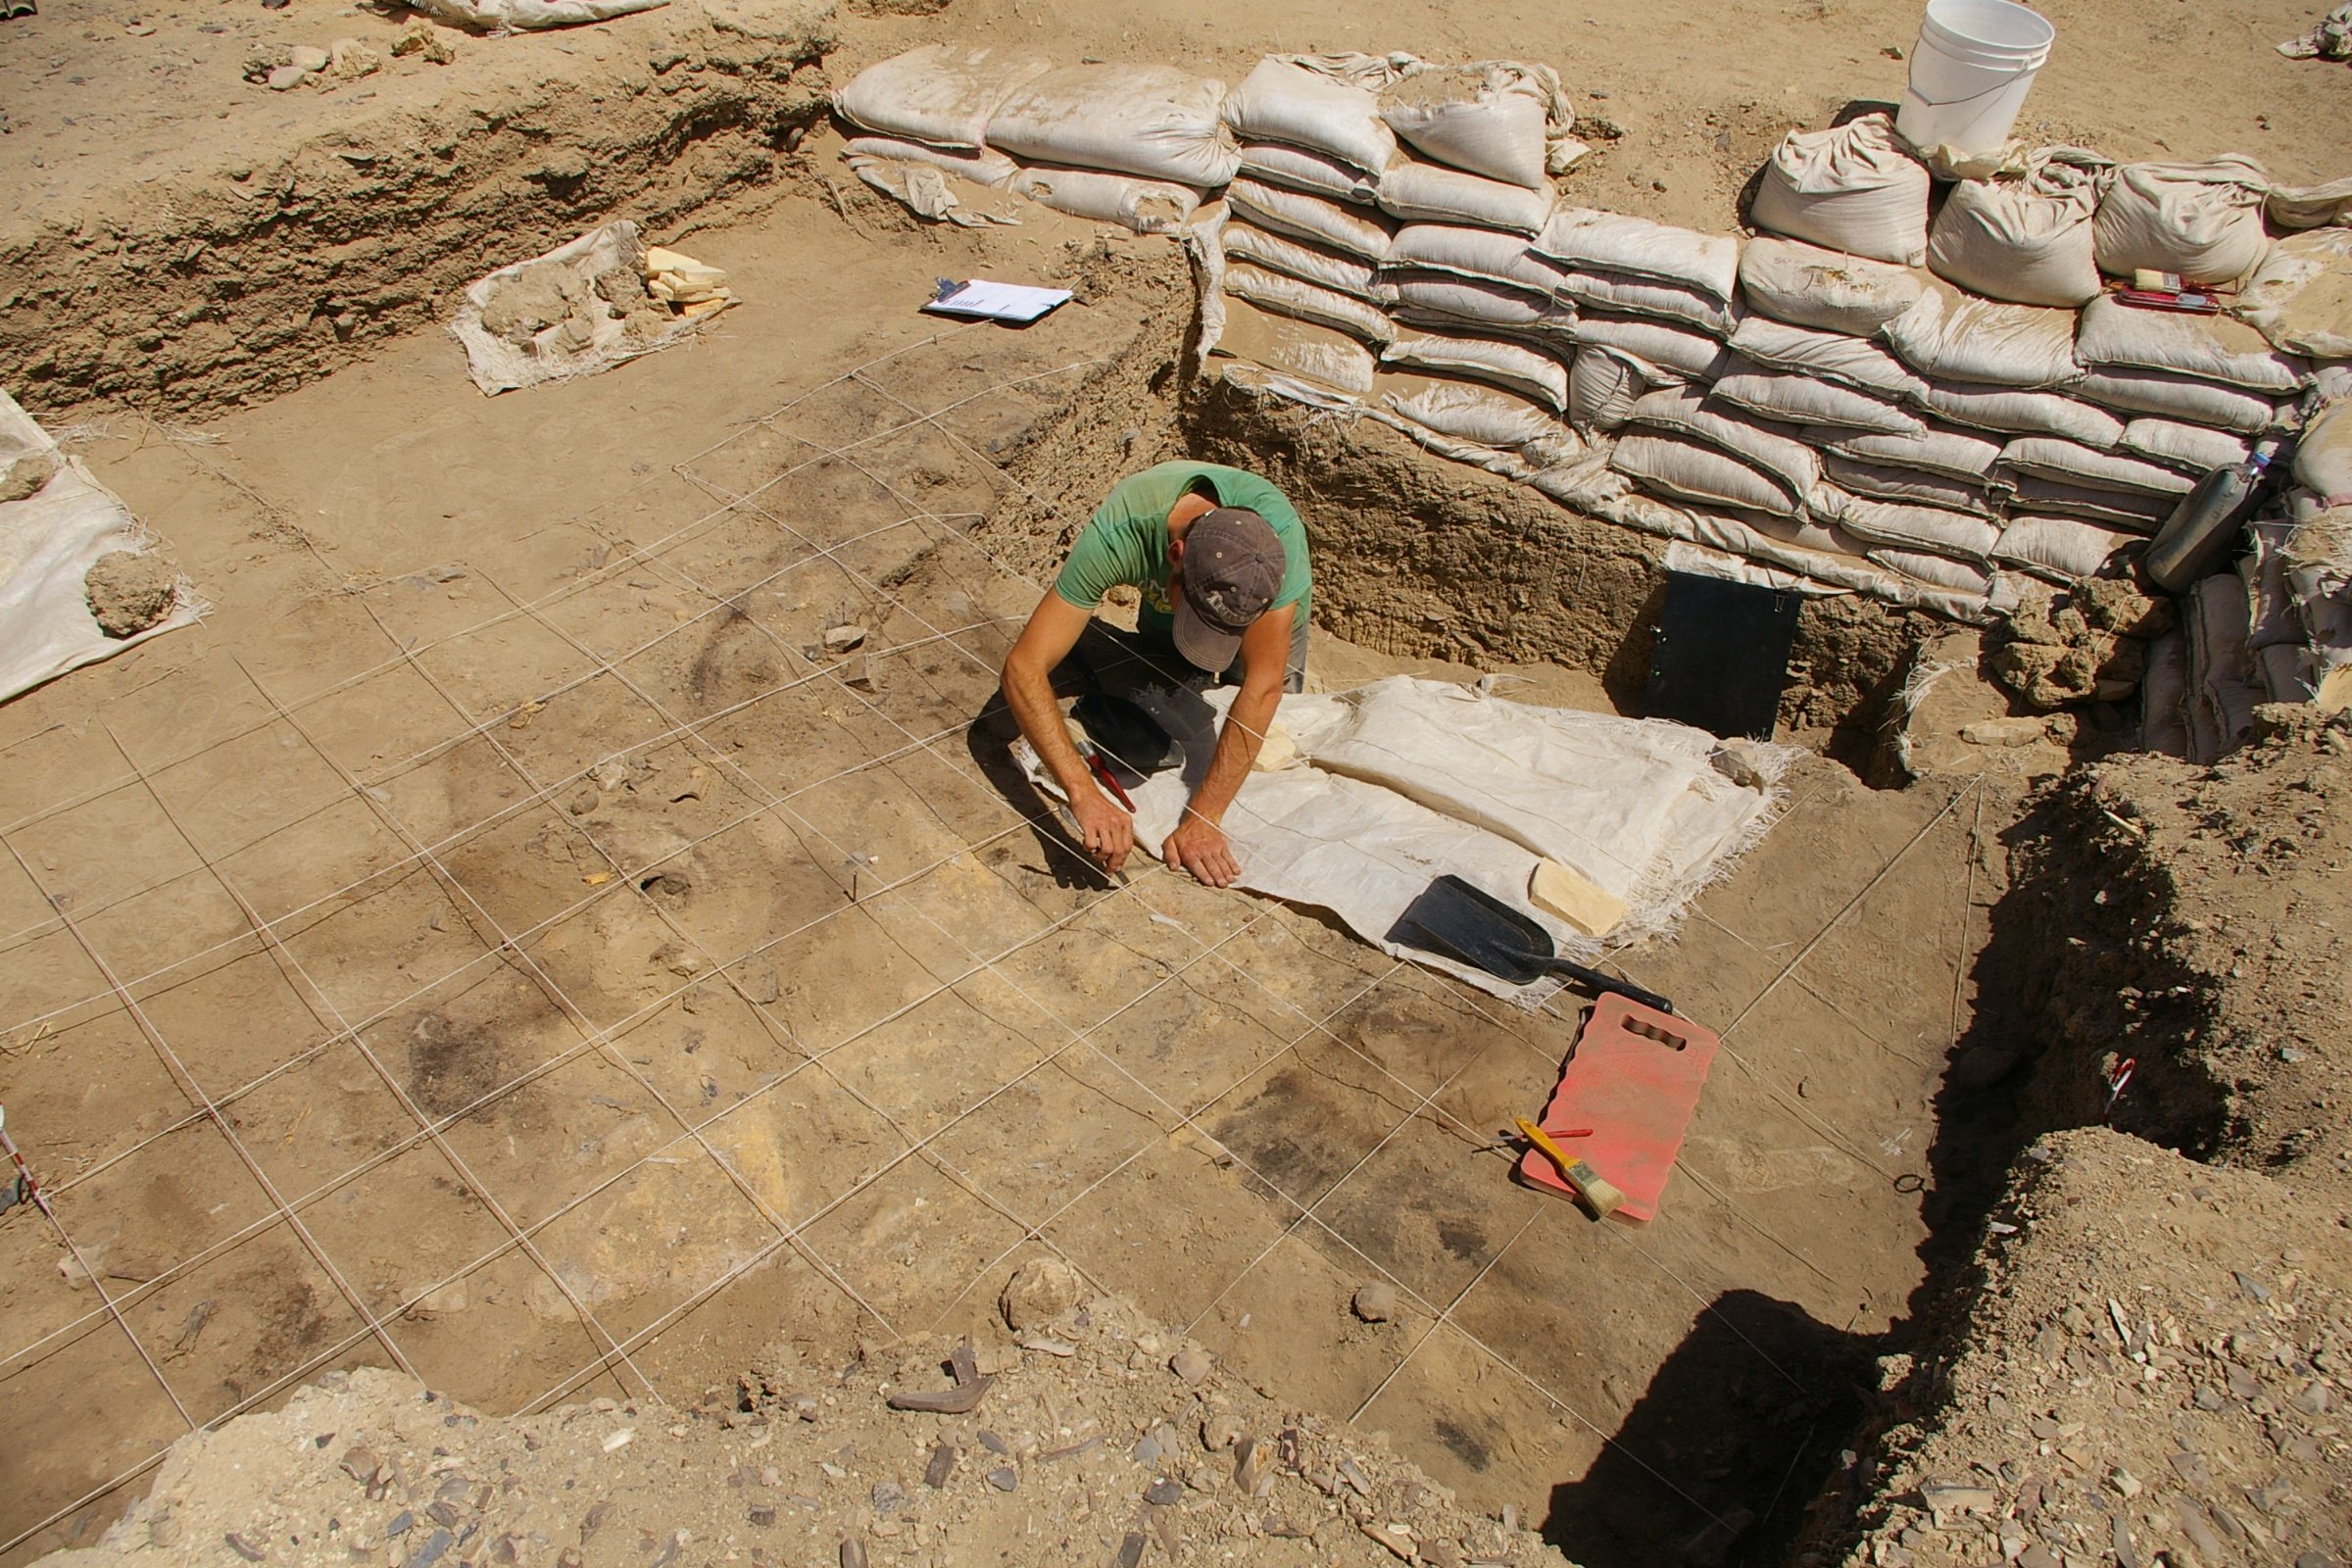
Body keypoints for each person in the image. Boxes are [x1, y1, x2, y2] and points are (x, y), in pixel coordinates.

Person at [1001, 461, 1312, 889]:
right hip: (1164, 610)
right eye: (1199, 616)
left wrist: (1204, 817)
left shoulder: (1279, 553)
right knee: (1165, 676)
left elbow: (1262, 688)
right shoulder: (1122, 533)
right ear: (1175, 556)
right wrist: (1084, 793)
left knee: (1273, 732)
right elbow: (1024, 666)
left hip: (1265, 622)